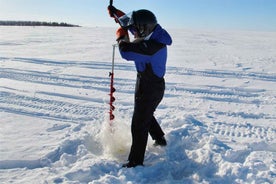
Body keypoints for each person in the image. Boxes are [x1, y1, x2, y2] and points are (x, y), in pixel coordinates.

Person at [108, 6, 172, 168]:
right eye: (133, 30)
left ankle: (136, 162)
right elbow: (129, 23)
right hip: (144, 82)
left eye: (135, 30)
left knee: (138, 123)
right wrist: (116, 13)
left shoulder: (153, 46)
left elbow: (126, 51)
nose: (133, 32)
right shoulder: (150, 30)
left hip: (151, 88)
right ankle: (159, 138)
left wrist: (121, 36)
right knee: (145, 114)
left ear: (144, 29)